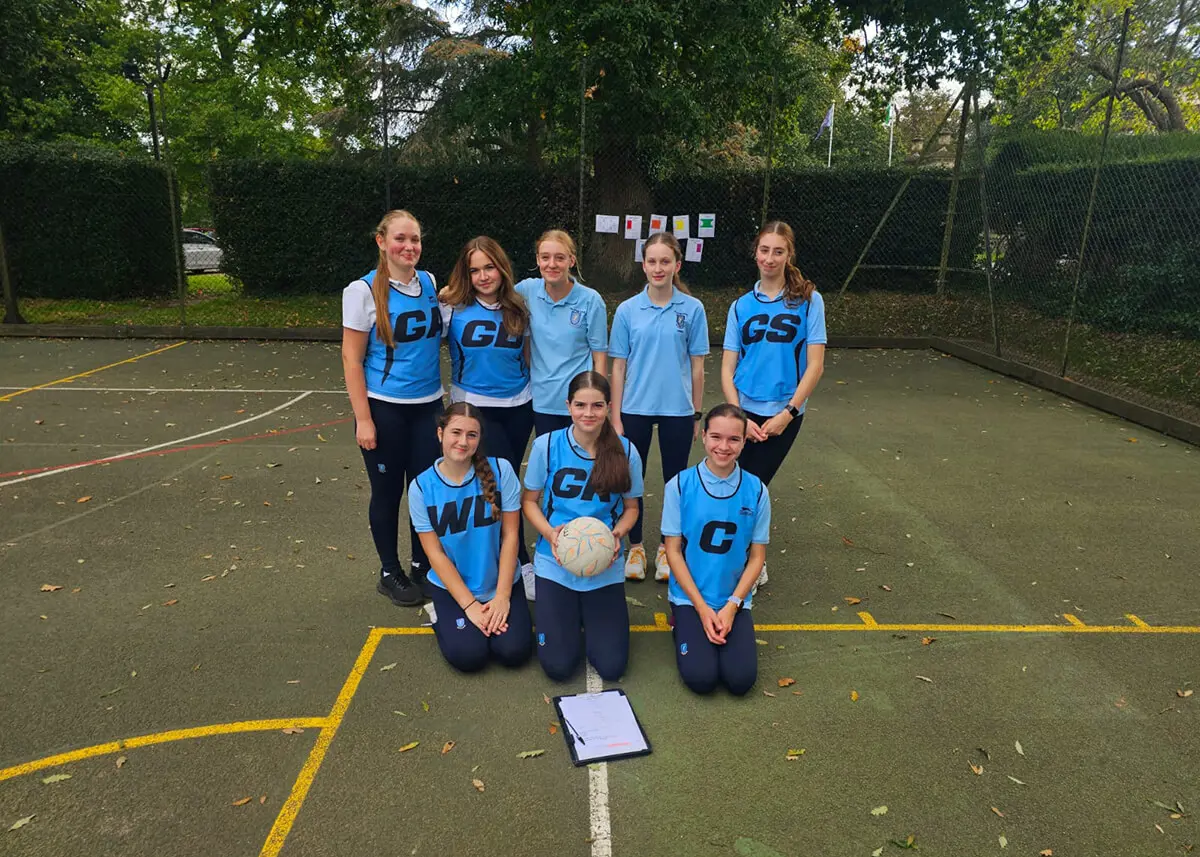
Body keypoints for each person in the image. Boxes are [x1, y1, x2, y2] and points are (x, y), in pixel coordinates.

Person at [342, 209, 444, 607]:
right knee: (387, 493)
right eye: (400, 238)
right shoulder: (363, 291)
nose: (409, 246)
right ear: (381, 241)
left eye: (415, 239)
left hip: (429, 407)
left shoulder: (431, 282)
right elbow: (352, 360)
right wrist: (364, 419)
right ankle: (390, 571)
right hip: (385, 408)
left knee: (423, 490)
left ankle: (423, 565)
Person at [721, 220, 826, 588]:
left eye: (777, 251)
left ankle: (753, 560)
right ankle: (725, 552)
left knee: (756, 485)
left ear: (789, 254)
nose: (769, 258)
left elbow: (815, 366)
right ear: (756, 253)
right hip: (742, 410)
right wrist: (736, 416)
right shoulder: (740, 306)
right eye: (764, 250)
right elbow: (728, 367)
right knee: (731, 480)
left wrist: (788, 413)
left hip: (784, 412)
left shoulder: (809, 300)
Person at [521, 371, 643, 682]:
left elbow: (631, 509)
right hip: (555, 561)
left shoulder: (626, 451)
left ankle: (586, 612)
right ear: (568, 406)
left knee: (613, 667)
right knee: (558, 667)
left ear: (608, 407)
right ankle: (568, 611)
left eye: (597, 406)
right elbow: (529, 502)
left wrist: (615, 535)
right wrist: (550, 535)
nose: (588, 414)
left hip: (604, 562)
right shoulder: (546, 446)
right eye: (580, 405)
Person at [440, 237, 538, 600]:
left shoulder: (519, 307)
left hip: (519, 405)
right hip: (476, 408)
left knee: (505, 481)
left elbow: (526, 355)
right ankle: (519, 563)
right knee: (496, 484)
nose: (483, 276)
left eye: (489, 267)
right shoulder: (451, 307)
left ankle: (505, 558)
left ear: (501, 267)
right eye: (474, 270)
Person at [609, 232, 709, 583]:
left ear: (677, 265)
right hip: (635, 407)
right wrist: (615, 415)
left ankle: (669, 549)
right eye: (652, 261)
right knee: (631, 479)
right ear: (643, 265)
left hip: (677, 411)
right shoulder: (627, 310)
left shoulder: (692, 309)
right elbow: (618, 366)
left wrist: (696, 414)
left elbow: (697, 367)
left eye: (665, 261)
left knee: (674, 481)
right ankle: (634, 547)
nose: (658, 267)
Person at [409, 403, 532, 672]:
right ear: (440, 434)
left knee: (513, 651)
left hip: (500, 581)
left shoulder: (501, 471)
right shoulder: (420, 487)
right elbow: (435, 554)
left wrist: (502, 596)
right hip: (454, 587)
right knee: (469, 657)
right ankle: (440, 615)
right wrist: (470, 604)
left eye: (472, 435)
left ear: (480, 439)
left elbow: (512, 536)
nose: (463, 442)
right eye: (456, 432)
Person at [661, 404, 769, 696]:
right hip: (690, 597)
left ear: (744, 441)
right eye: (716, 437)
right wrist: (701, 608)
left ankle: (721, 620)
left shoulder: (757, 490)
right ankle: (680, 624)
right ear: (704, 436)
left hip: (733, 599)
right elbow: (673, 553)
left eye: (734, 439)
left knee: (740, 680)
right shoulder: (679, 486)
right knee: (701, 679)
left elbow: (757, 557)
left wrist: (733, 606)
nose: (724, 446)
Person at [515, 230, 608, 438]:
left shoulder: (591, 300)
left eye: (560, 258)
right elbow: (492, 293)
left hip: (582, 404)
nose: (552, 264)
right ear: (538, 260)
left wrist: (598, 400)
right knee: (552, 462)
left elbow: (599, 356)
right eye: (545, 257)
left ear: (571, 261)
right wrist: (454, 292)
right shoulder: (526, 291)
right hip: (543, 401)